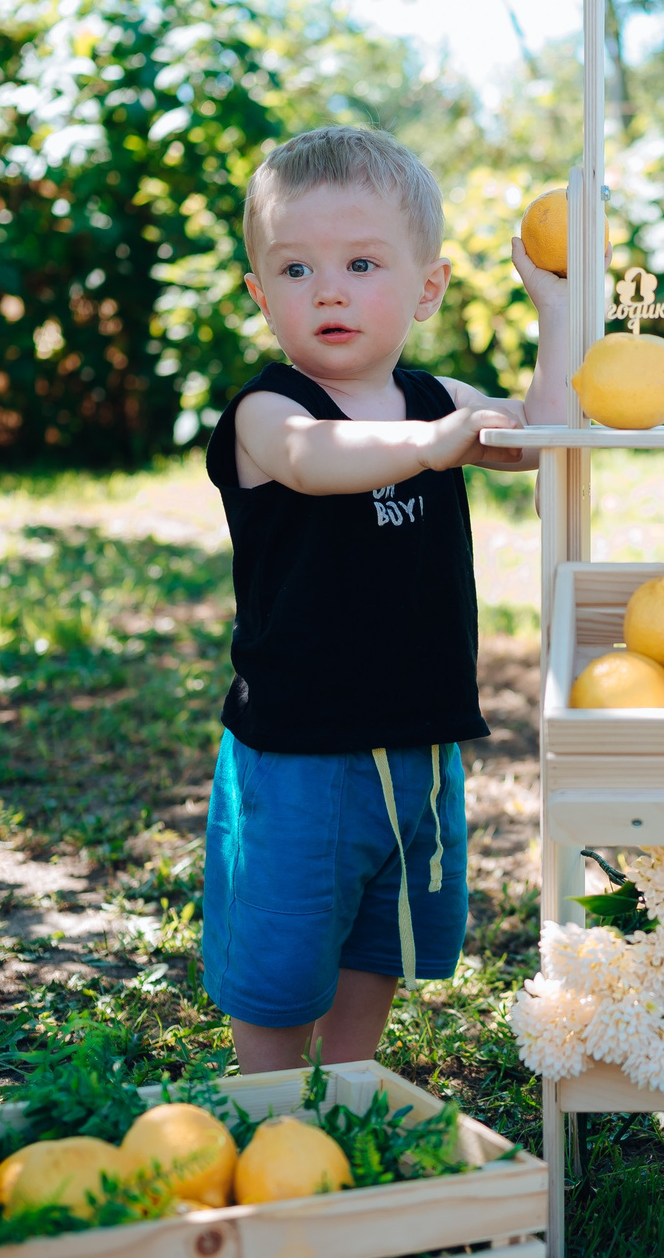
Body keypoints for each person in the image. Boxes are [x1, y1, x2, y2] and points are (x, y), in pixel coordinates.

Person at [203, 125, 568, 1073]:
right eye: (295, 269)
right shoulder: (269, 409)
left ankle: (351, 1081)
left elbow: (543, 443)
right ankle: (270, 1095)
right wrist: (432, 444)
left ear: (427, 287)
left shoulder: (430, 397)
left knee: (384, 936)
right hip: (298, 746)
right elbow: (315, 463)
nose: (328, 289)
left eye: (362, 263)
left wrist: (559, 318)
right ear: (260, 293)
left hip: (419, 734)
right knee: (284, 947)